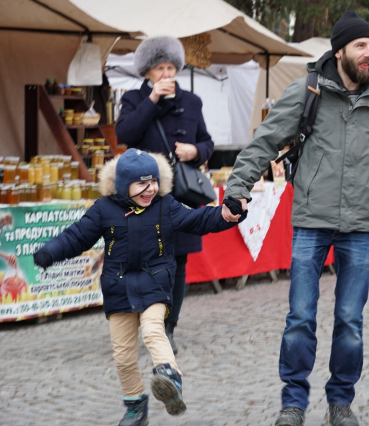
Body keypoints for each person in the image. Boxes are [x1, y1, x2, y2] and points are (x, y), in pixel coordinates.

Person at [222, 11, 369, 426]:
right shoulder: (308, 92)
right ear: (340, 52)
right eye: (361, 46)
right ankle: (293, 403)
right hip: (311, 219)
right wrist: (237, 188)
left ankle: (340, 402)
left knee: (350, 321)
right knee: (300, 317)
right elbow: (265, 141)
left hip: (358, 223)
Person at [32, 149, 245, 426]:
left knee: (155, 331)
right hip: (118, 288)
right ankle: (135, 406)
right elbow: (76, 236)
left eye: (153, 182)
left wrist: (225, 216)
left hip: (155, 282)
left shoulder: (165, 206)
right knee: (122, 355)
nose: (150, 188)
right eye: (142, 184)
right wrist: (50, 252)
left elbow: (197, 220)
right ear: (123, 185)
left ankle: (170, 377)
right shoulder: (103, 209)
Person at [116, 35, 214, 355]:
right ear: (147, 72)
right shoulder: (133, 99)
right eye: (160, 68)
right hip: (143, 196)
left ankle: (168, 326)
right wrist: (153, 100)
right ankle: (147, 320)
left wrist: (194, 150)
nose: (167, 74)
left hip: (180, 196)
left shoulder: (192, 102)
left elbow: (207, 143)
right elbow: (124, 135)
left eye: (171, 67)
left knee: (178, 262)